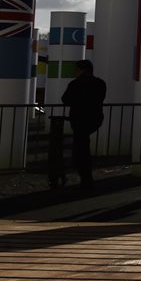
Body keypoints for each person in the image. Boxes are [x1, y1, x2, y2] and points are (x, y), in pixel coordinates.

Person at [60, 58, 106, 191]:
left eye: (76, 69)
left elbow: (65, 100)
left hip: (79, 119)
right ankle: (86, 177)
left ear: (81, 70)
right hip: (94, 119)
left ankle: (85, 177)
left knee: (80, 149)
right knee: (84, 145)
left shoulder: (75, 84)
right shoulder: (100, 83)